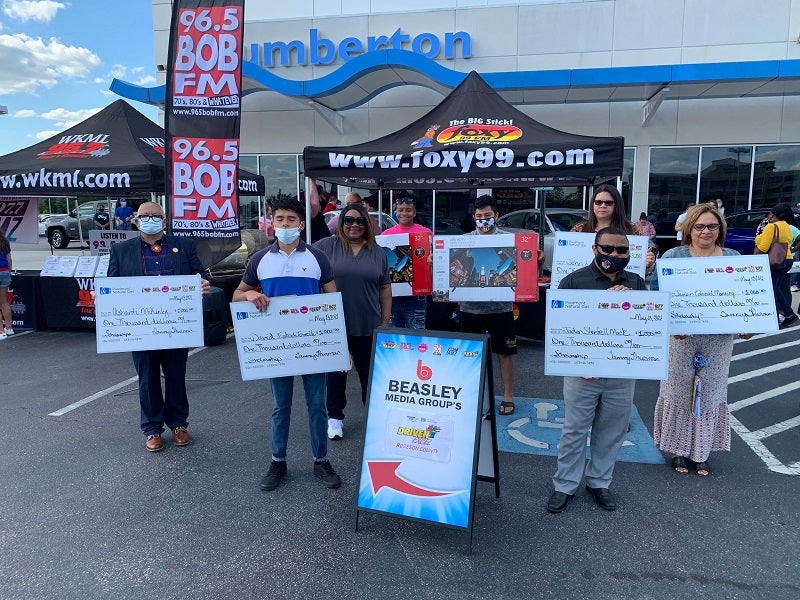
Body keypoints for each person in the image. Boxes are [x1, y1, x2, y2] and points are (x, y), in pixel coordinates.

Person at [232, 197, 342, 490]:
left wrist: (341, 350)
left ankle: (321, 460)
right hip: (277, 346)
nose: (285, 225)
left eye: (291, 220)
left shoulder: (318, 258)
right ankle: (277, 460)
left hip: (313, 345)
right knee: (281, 407)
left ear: (301, 224)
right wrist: (250, 295)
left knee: (317, 406)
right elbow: (237, 294)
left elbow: (332, 301)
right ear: (272, 223)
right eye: (279, 219)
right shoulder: (259, 260)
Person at [547, 227, 647, 514]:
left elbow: (648, 327)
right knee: (574, 430)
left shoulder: (637, 284)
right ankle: (564, 485)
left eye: (622, 250)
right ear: (595, 249)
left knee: (612, 430)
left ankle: (599, 482)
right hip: (582, 374)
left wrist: (631, 305)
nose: (615, 255)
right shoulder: (574, 282)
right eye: (608, 249)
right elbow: (559, 329)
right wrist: (577, 361)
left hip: (622, 373)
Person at [650, 204, 752, 476]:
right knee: (677, 389)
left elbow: (745, 298)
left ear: (721, 229)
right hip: (682, 335)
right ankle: (678, 449)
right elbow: (657, 296)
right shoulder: (673, 257)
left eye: (712, 226)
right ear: (689, 228)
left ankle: (701, 451)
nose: (706, 231)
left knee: (712, 392)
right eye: (700, 226)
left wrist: (748, 323)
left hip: (718, 338)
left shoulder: (733, 257)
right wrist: (671, 326)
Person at [107, 202, 211, 452]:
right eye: (145, 216)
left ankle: (178, 424)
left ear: (165, 222)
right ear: (136, 221)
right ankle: (152, 428)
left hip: (176, 326)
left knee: (176, 375)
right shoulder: (121, 250)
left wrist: (203, 285)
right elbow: (112, 285)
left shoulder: (183, 246)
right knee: (147, 378)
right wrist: (104, 296)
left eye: (156, 216)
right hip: (141, 328)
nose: (150, 219)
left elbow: (199, 274)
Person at [314, 202, 391, 440]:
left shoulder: (377, 251)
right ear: (341, 223)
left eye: (360, 221)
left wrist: (385, 322)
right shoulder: (326, 247)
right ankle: (335, 418)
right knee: (336, 375)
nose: (354, 225)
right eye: (349, 220)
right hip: (335, 325)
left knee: (370, 376)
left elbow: (385, 289)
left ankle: (374, 417)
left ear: (367, 224)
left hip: (369, 324)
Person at [459, 195, 517, 415]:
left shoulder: (509, 240)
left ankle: (508, 395)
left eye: (487, 216)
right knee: (469, 354)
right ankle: (470, 395)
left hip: (501, 307)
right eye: (479, 217)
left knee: (505, 353)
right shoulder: (464, 241)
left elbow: (521, 270)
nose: (483, 220)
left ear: (496, 216)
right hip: (469, 308)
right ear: (474, 217)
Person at [571, 185, 656, 277]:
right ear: (593, 204)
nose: (603, 206)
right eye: (598, 202)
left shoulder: (630, 228)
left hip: (621, 285)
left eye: (608, 203)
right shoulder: (580, 229)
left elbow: (643, 263)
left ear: (617, 205)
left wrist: (648, 263)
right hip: (585, 283)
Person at [381, 195, 432, 329]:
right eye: (400, 210)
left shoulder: (426, 233)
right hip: (392, 294)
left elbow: (436, 257)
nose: (404, 213)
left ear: (414, 212)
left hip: (417, 294)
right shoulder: (385, 235)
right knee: (393, 332)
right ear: (395, 212)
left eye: (408, 210)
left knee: (417, 331)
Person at [755, 203, 799, 328]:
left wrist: (758, 240)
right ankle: (789, 315)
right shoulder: (787, 226)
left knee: (771, 290)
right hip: (787, 259)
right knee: (776, 288)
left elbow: (763, 247)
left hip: (775, 260)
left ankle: (775, 319)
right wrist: (794, 249)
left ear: (773, 215)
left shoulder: (771, 226)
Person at [0, 228, 13, 339]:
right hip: (4, 272)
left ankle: (0, 331)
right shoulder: (4, 241)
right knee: (4, 301)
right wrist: (9, 271)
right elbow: (9, 259)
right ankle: (9, 327)